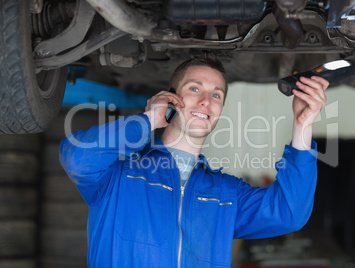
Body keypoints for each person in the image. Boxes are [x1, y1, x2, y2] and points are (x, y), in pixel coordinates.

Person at [59, 54, 328, 268]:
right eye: (194, 88)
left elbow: (290, 213)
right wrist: (147, 121)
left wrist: (302, 125)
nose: (205, 101)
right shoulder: (118, 177)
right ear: (172, 99)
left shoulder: (227, 194)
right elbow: (77, 157)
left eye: (216, 95)